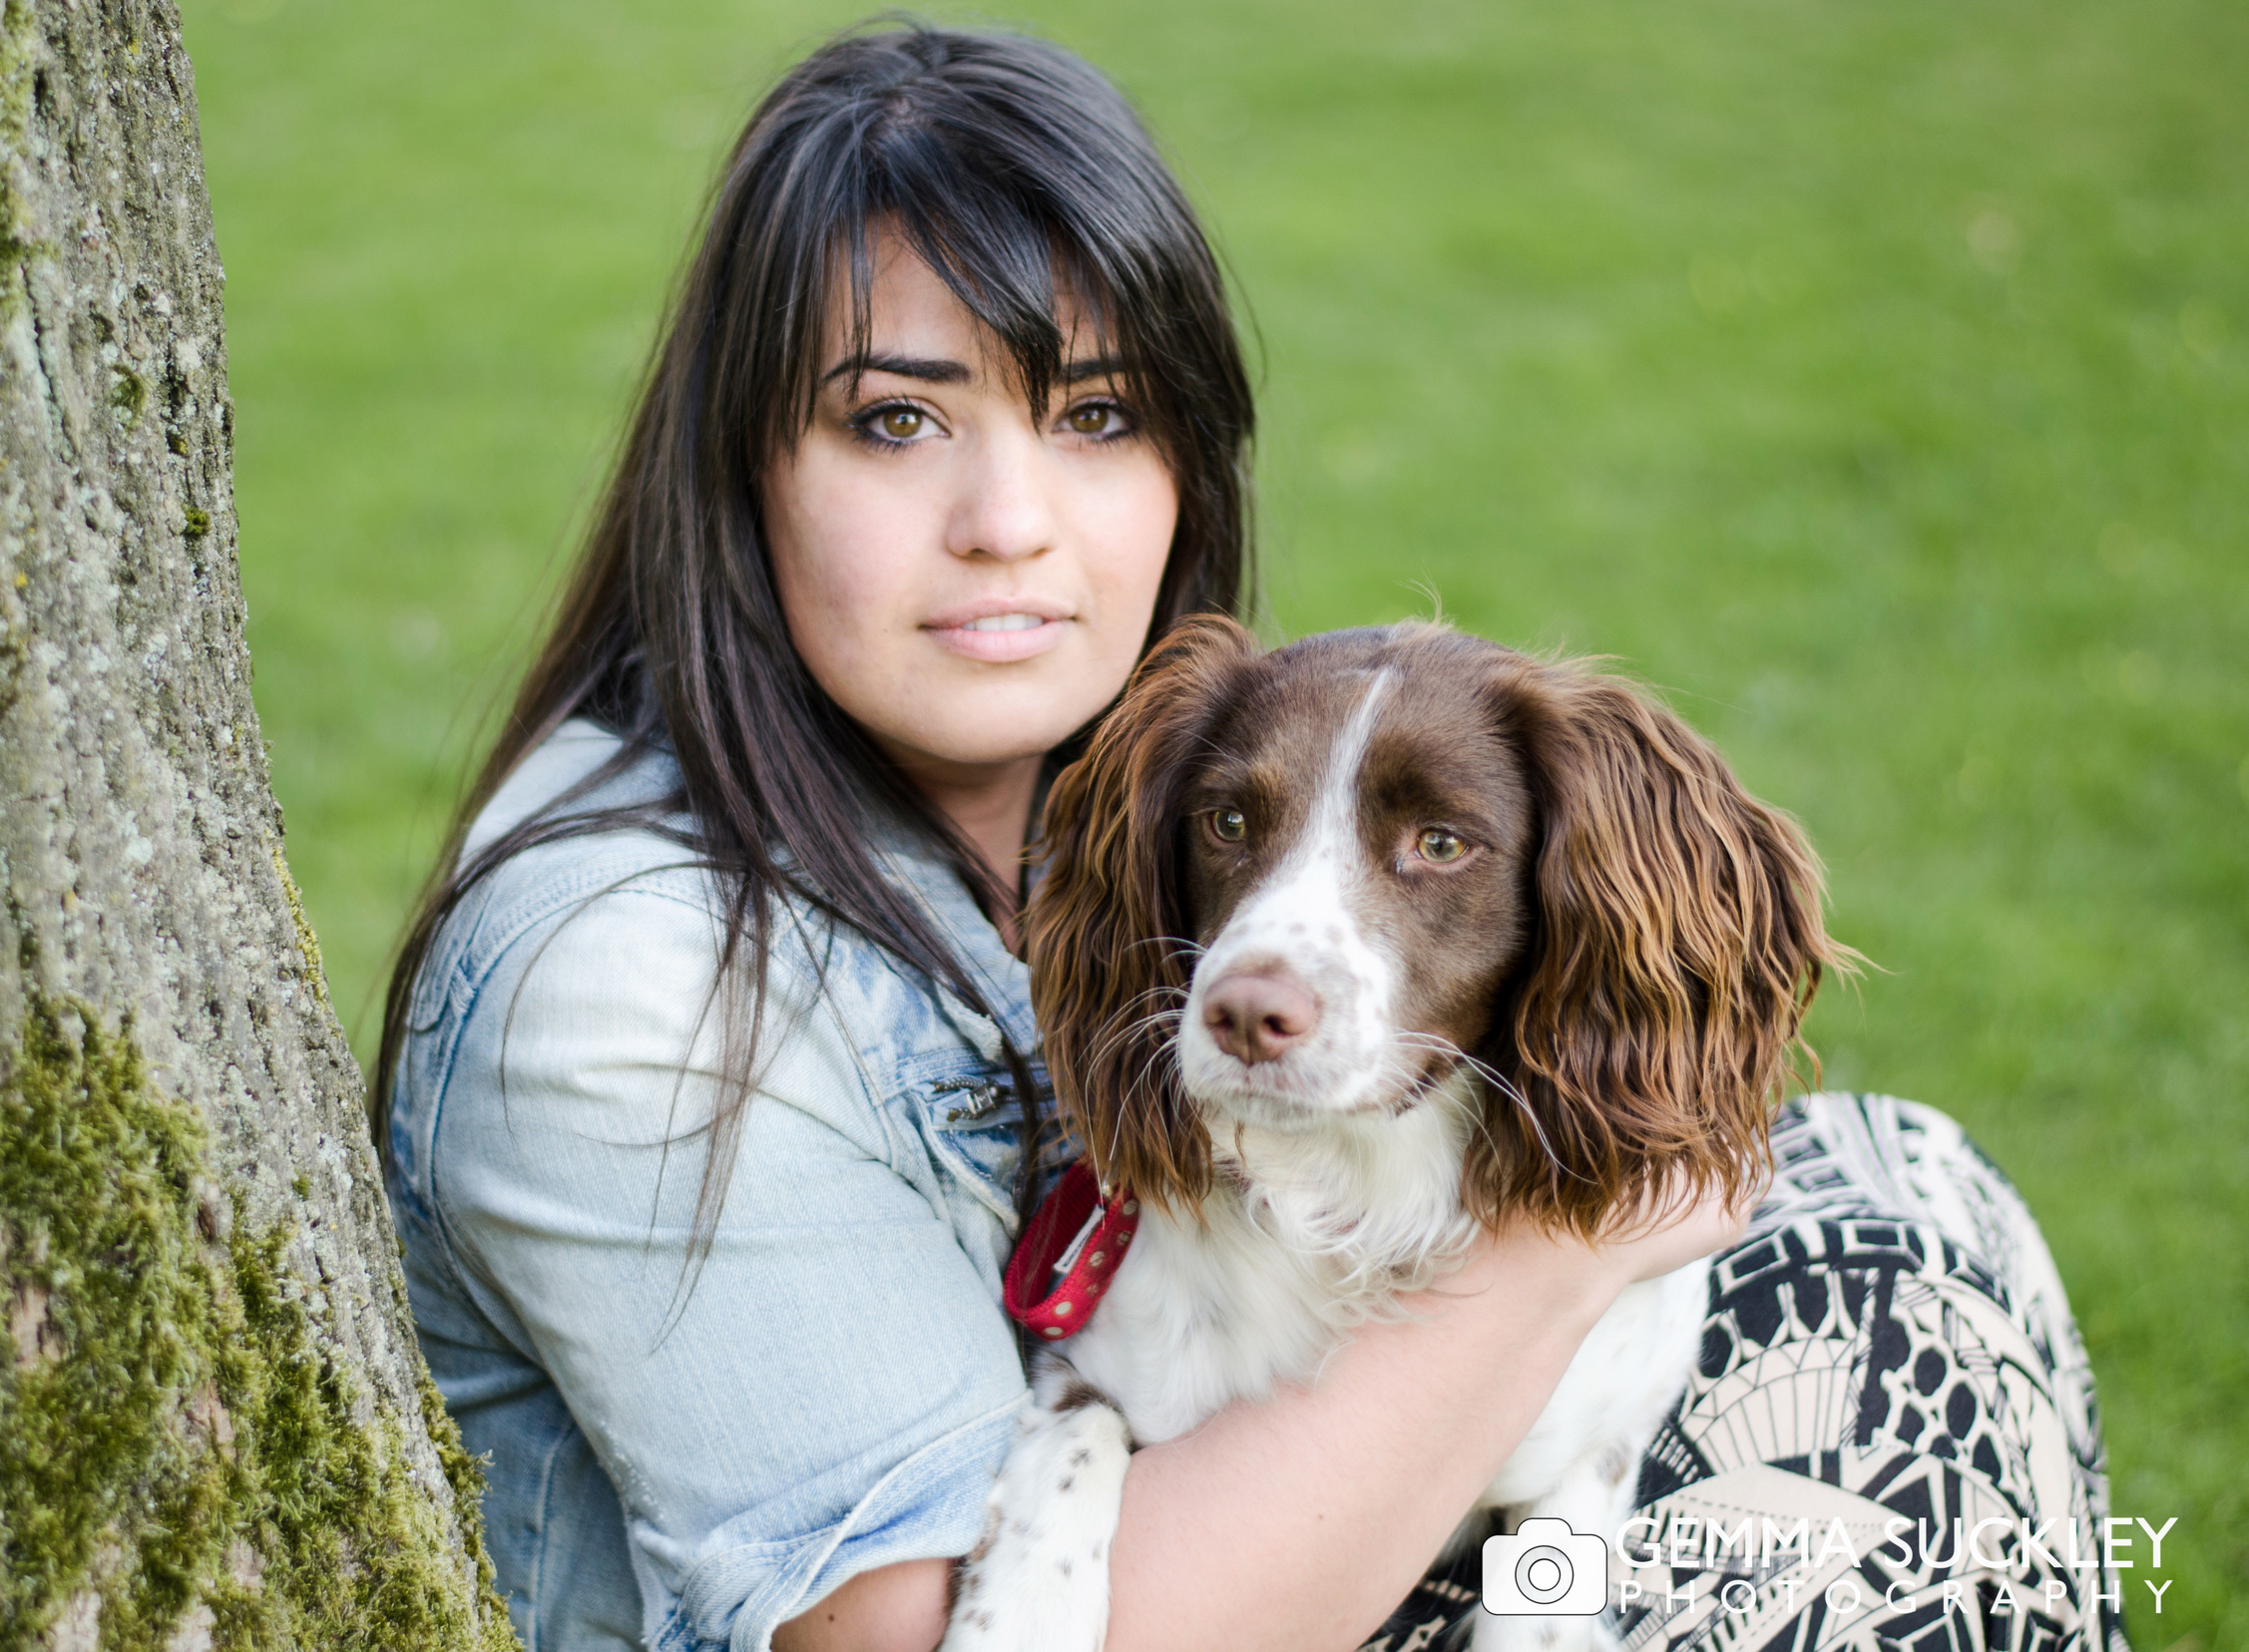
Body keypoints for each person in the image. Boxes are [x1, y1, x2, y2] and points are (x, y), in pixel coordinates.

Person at [376, 24, 2126, 1652]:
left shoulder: (1126, 800)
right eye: (896, 420)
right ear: (737, 470)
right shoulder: (623, 987)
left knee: (1906, 1216)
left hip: (1354, 1498)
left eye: (1098, 417)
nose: (1007, 525)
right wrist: (1570, 1244)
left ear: (1191, 467)